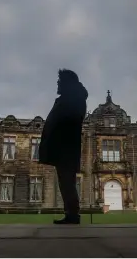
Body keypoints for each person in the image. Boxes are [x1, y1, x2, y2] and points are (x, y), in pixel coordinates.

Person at [38, 69, 88, 224]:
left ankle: (73, 214)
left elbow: (68, 121)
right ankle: (71, 213)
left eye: (60, 81)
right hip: (63, 146)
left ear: (68, 83)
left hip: (66, 147)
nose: (58, 84)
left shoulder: (73, 99)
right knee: (65, 181)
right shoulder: (71, 98)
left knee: (67, 181)